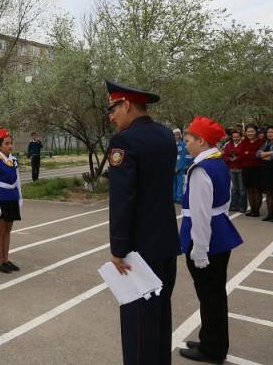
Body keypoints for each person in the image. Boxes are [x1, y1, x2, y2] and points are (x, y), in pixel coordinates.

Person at [105, 79, 180, 365]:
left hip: (139, 249)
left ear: (126, 104)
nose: (111, 117)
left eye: (113, 109)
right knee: (159, 319)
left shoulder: (124, 141)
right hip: (165, 243)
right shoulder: (165, 135)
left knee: (137, 328)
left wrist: (118, 248)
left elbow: (123, 199)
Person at [179, 116, 243, 364]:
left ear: (201, 141)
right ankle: (210, 340)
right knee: (213, 294)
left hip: (206, 238)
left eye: (188, 140)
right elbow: (224, 202)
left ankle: (212, 349)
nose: (186, 145)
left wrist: (200, 248)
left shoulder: (201, 169)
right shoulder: (218, 161)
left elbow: (200, 214)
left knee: (209, 295)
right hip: (219, 232)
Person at [0, 128, 22, 273]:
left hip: (12, 198)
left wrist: (19, 197)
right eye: (6, 144)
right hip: (1, 200)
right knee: (0, 230)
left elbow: (17, 180)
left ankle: (6, 259)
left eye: (11, 143)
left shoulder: (13, 161)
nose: (10, 146)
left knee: (8, 230)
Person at [241, 123, 264, 217]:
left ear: (256, 132)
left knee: (256, 189)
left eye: (252, 131)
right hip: (246, 168)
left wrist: (248, 154)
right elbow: (241, 154)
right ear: (245, 132)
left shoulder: (261, 142)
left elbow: (259, 155)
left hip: (257, 168)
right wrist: (251, 154)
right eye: (248, 131)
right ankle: (252, 210)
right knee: (249, 189)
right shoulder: (244, 142)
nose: (250, 133)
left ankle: (256, 211)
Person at [222, 130, 247, 213]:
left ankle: (242, 206)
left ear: (240, 137)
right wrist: (229, 158)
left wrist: (237, 158)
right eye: (234, 137)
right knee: (234, 189)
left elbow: (244, 154)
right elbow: (223, 154)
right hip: (231, 168)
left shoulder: (244, 144)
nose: (235, 138)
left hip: (241, 168)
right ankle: (234, 205)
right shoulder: (228, 144)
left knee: (242, 189)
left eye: (237, 137)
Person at [257, 126, 273, 221]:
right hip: (266, 171)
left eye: (272, 132)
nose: (270, 134)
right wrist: (270, 153)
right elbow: (258, 154)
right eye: (268, 132)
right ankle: (270, 214)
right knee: (268, 193)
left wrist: (265, 154)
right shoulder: (266, 143)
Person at [173, 128, 193, 204]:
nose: (176, 136)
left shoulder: (183, 145)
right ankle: (173, 197)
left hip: (180, 167)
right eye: (174, 135)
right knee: (173, 182)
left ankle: (179, 198)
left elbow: (183, 157)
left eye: (177, 135)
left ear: (180, 135)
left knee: (180, 183)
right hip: (172, 166)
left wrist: (178, 167)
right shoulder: (172, 144)